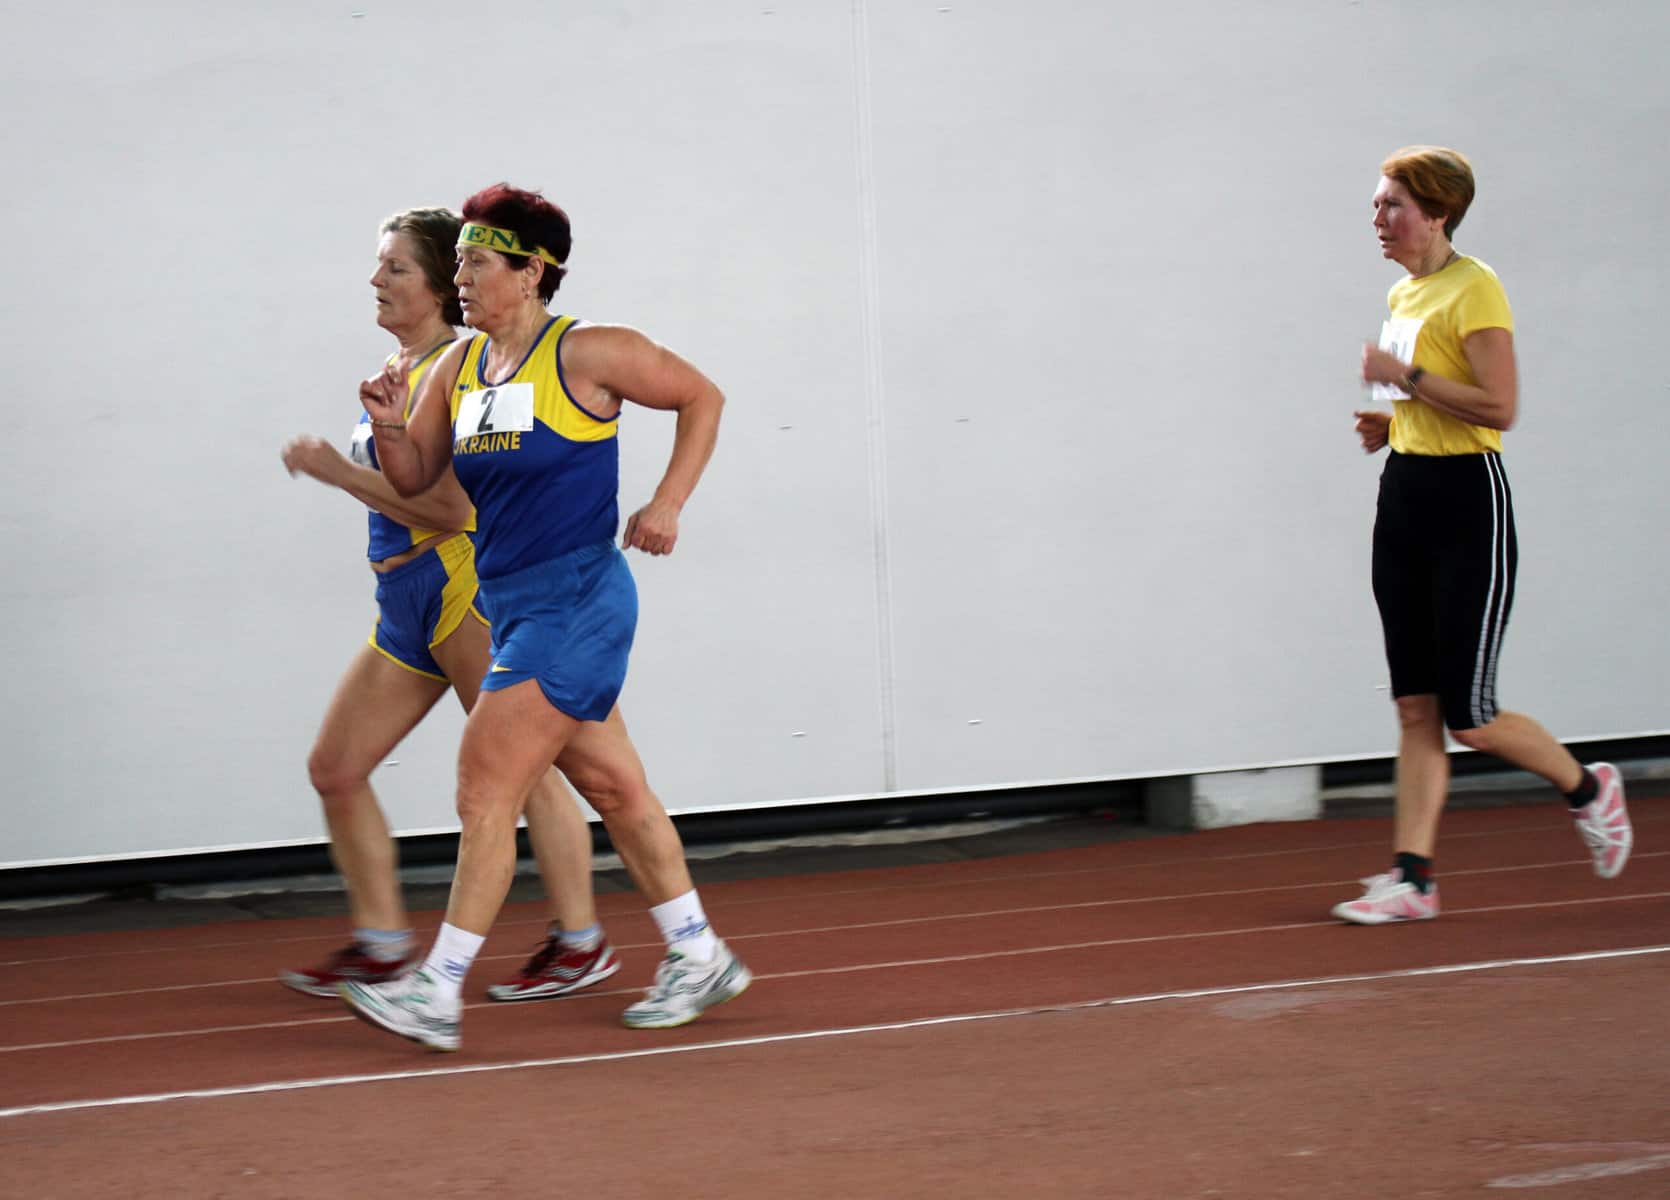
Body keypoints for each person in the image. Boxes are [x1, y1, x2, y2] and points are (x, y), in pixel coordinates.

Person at [339, 183, 748, 1051]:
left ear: (530, 272)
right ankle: (697, 952)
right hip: (512, 603)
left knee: (485, 785)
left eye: (475, 264)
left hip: (578, 600)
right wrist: (391, 428)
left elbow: (703, 396)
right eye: (457, 265)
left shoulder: (589, 351)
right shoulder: (458, 368)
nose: (460, 280)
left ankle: (436, 989)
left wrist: (668, 502)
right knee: (615, 789)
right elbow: (418, 482)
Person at [280, 207, 618, 1001]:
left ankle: (581, 941)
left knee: (526, 771)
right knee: (336, 768)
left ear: (438, 284)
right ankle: (382, 944)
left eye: (396, 267)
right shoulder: (398, 367)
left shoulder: (459, 372)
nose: (376, 279)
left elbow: (452, 509)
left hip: (460, 587)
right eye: (379, 264)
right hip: (403, 600)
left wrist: (339, 472)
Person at [1337, 145, 1632, 924]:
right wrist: (1390, 421)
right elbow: (1425, 401)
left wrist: (1405, 380)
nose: (1378, 217)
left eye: (1393, 204)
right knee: (1415, 706)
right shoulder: (1404, 293)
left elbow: (1500, 408)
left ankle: (1588, 787)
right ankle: (1413, 880)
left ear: (1438, 213)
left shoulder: (1477, 287)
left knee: (1470, 716)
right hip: (1404, 496)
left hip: (1468, 504)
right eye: (1376, 203)